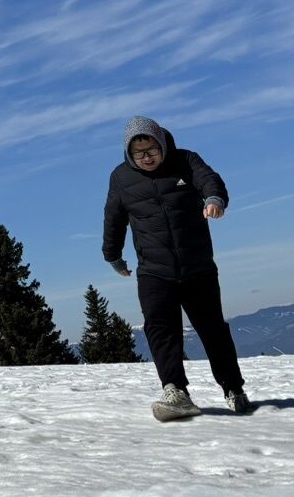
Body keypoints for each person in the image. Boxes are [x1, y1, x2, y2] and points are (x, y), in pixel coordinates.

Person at [103, 115, 255, 422]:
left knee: (213, 330)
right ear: (129, 154)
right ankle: (175, 390)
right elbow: (113, 217)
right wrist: (113, 256)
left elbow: (209, 179)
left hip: (197, 266)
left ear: (161, 144)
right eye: (138, 153)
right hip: (154, 271)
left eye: (151, 150)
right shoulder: (121, 177)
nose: (146, 158)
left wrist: (214, 199)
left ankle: (233, 388)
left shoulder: (185, 160)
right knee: (161, 330)